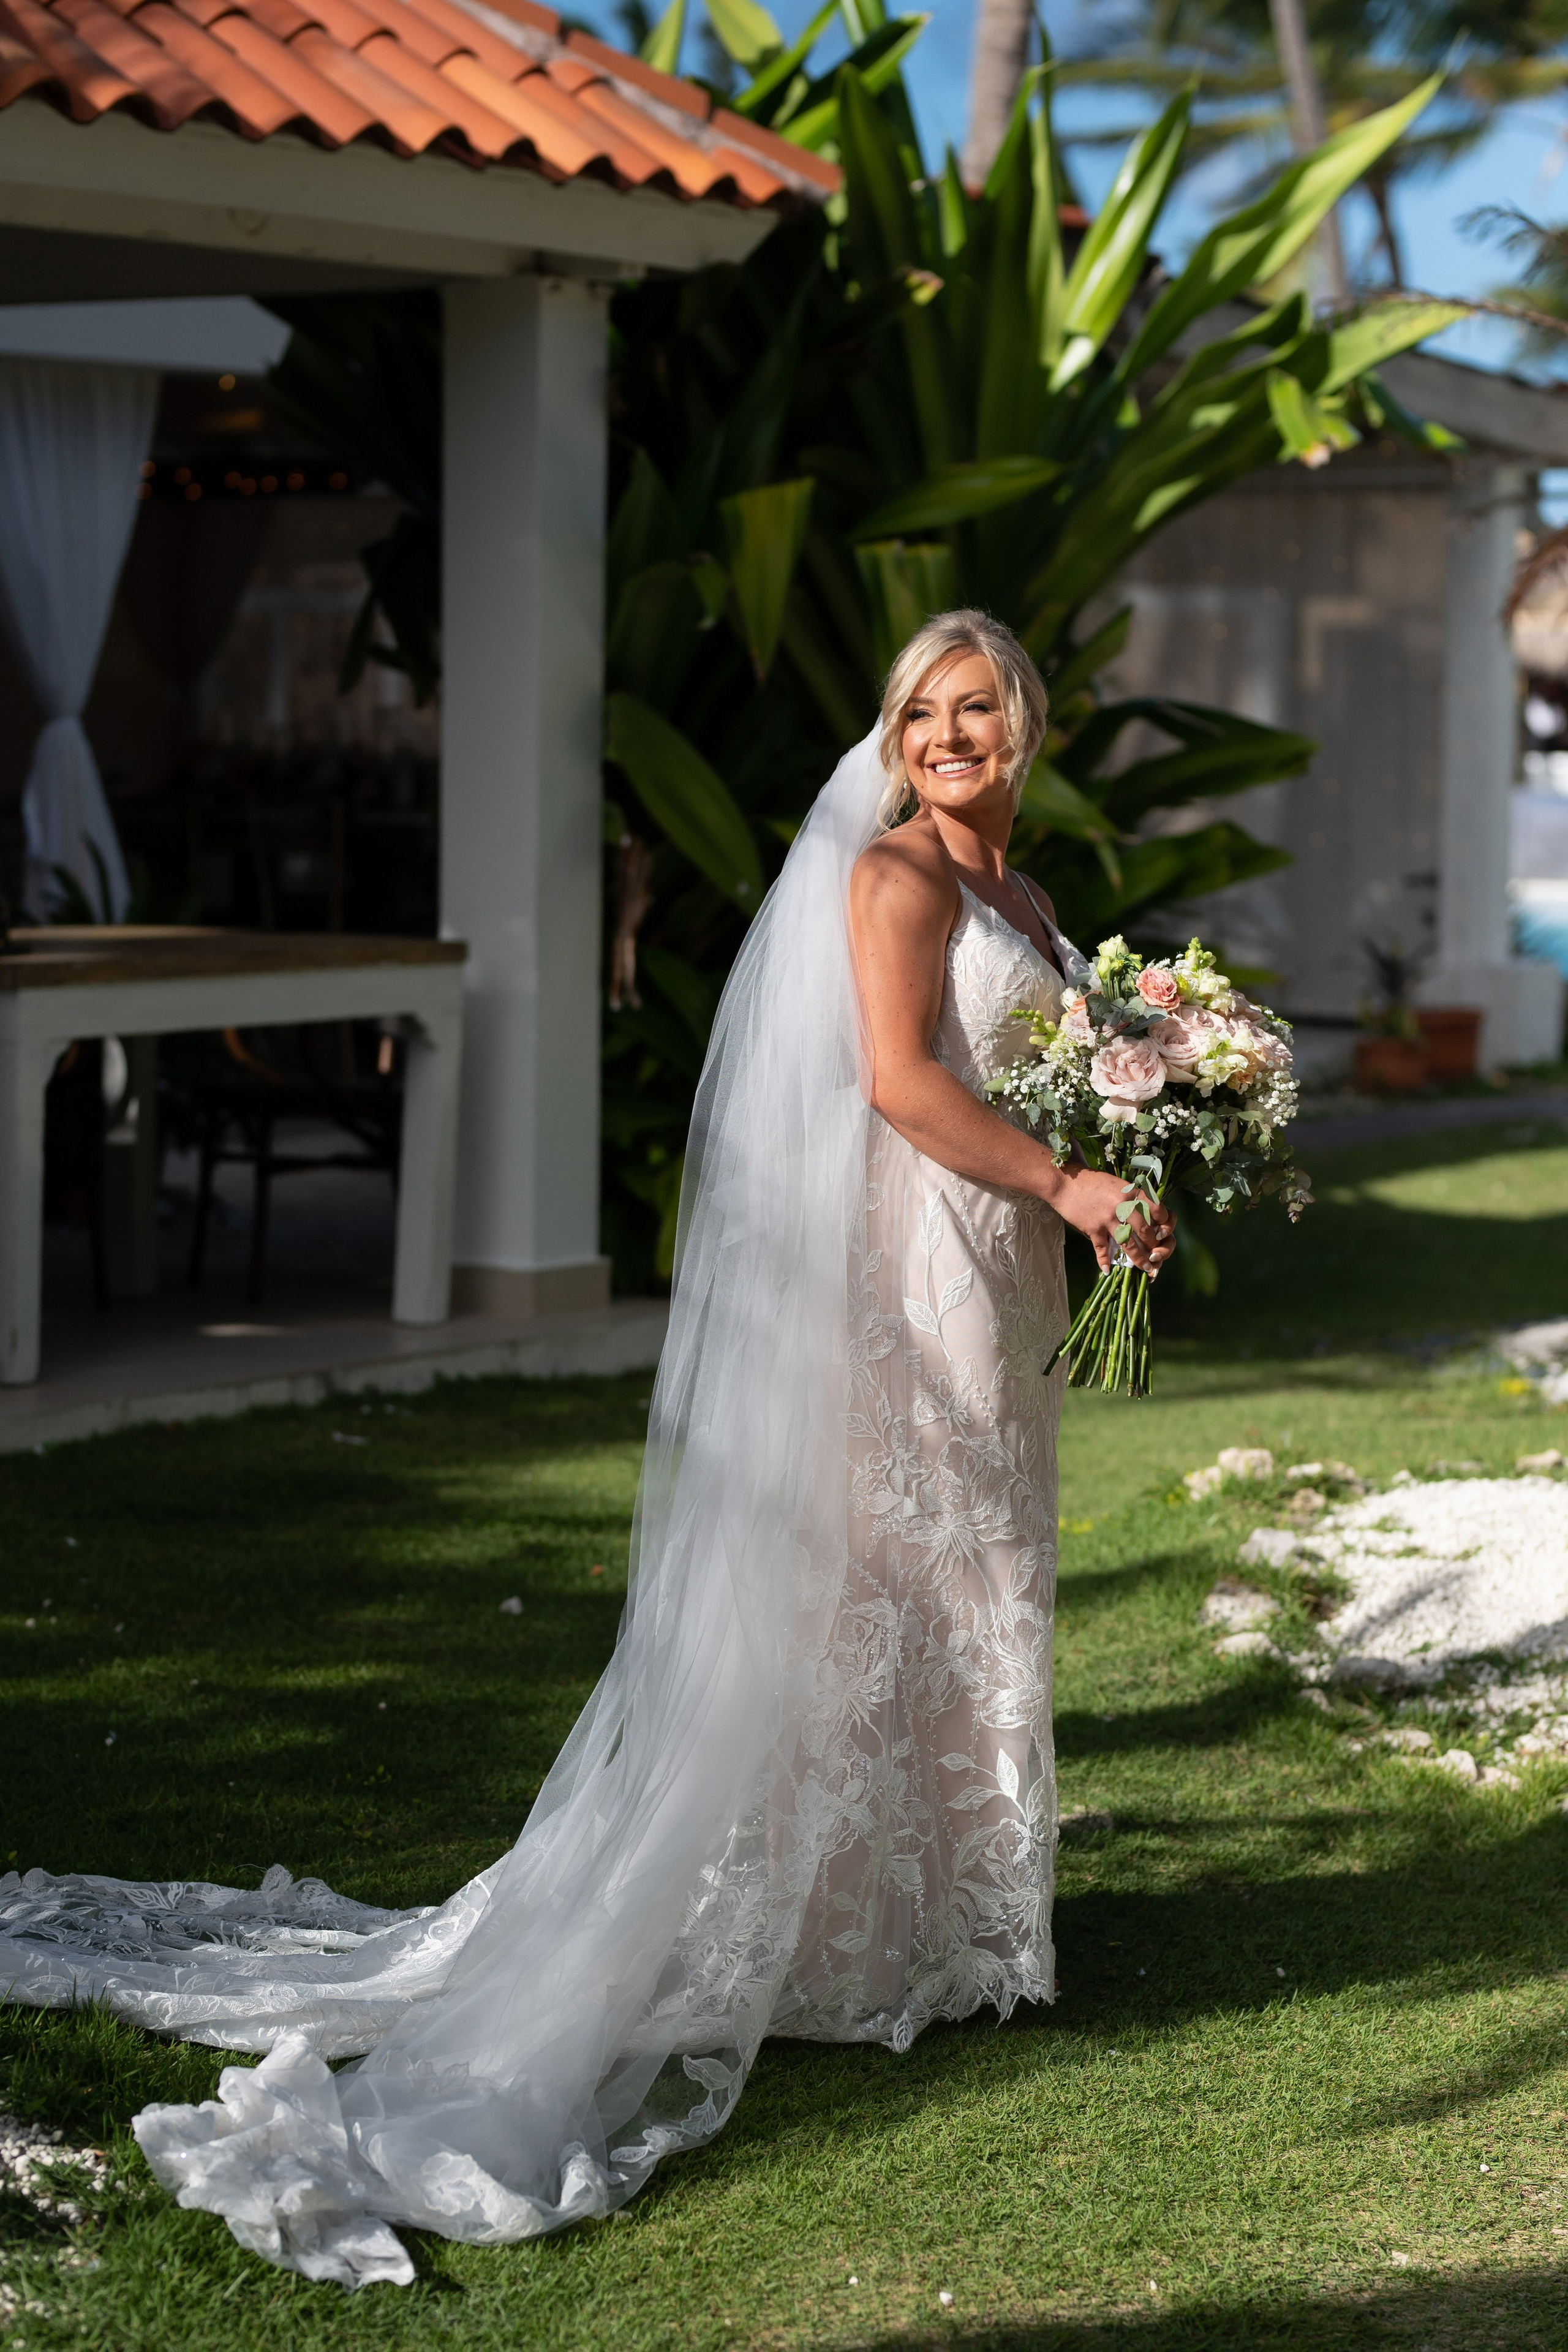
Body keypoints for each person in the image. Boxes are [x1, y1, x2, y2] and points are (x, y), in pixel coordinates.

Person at [0, 611, 1174, 2288]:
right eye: (922, 709)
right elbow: (907, 1084)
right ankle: (860, 1938)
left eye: (978, 707)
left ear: (1031, 727)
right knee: (900, 1570)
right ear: (894, 735)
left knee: (977, 1567)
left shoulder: (1029, 901)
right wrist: (1069, 1180)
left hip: (1005, 1274)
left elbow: (1032, 1072)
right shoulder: (898, 881)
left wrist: (1129, 1147)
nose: (949, 735)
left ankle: (943, 1921)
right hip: (918, 1271)